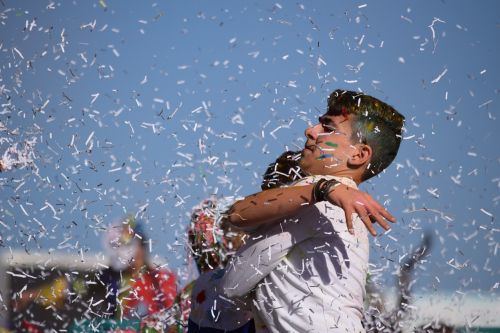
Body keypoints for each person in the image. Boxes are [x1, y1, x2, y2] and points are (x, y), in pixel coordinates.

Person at [221, 89, 405, 332]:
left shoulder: (319, 198)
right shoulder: (337, 200)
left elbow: (232, 281)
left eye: (328, 128)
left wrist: (321, 188)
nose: (311, 131)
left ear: (359, 154)